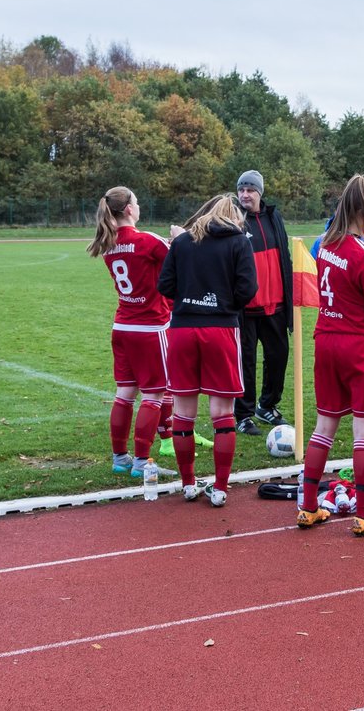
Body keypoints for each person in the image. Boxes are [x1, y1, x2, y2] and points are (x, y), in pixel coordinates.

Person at [296, 175, 364, 536]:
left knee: (324, 426)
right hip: (359, 344)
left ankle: (308, 506)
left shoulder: (324, 244)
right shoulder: (362, 251)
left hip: (327, 339)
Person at [157, 194, 258, 507]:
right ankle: (221, 487)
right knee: (222, 414)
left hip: (183, 329)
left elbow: (165, 285)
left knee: (183, 414)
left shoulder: (183, 242)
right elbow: (248, 289)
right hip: (221, 329)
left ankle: (187, 484)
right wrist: (224, 303)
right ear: (235, 218)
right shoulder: (239, 242)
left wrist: (191, 298)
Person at [86, 187, 175, 479]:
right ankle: (141, 462)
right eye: (136, 202)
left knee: (124, 393)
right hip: (150, 328)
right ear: (128, 209)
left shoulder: (109, 243)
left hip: (122, 327)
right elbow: (179, 264)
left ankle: (120, 458)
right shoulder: (148, 241)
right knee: (153, 395)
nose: (138, 206)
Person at [235, 170, 294, 436]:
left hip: (276, 305)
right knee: (245, 362)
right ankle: (244, 414)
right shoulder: (234, 219)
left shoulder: (274, 217)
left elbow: (285, 256)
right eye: (241, 190)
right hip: (245, 308)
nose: (245, 195)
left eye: (250, 190)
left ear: (260, 192)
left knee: (278, 357)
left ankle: (267, 405)